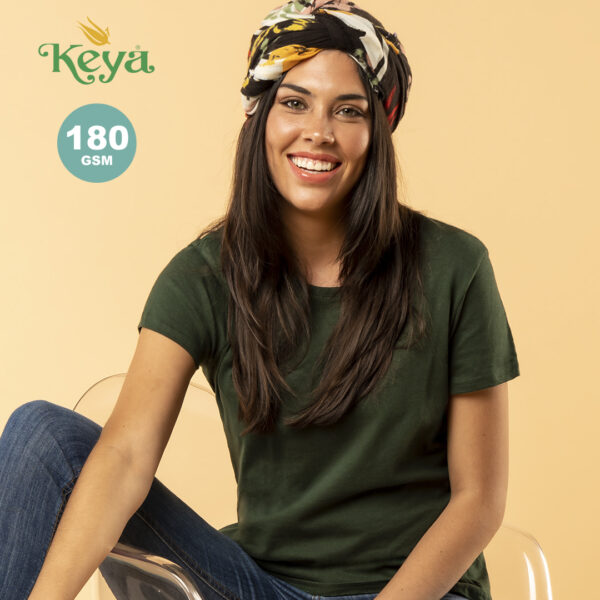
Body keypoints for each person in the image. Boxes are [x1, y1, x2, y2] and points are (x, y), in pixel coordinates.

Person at [0, 1, 519, 599]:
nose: (318, 131)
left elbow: (479, 500)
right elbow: (125, 457)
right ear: (260, 116)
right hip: (261, 587)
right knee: (42, 434)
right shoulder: (203, 277)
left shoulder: (453, 266)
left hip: (416, 593)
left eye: (348, 110)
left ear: (377, 131)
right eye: (294, 103)